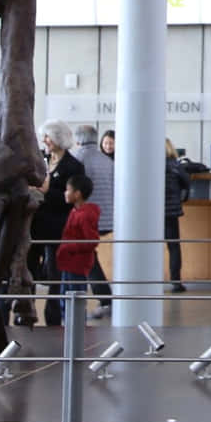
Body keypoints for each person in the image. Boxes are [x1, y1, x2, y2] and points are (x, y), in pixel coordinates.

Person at [31, 121, 81, 327]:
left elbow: (73, 198)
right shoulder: (41, 160)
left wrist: (46, 192)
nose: (44, 141)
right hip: (34, 225)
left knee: (54, 275)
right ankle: (27, 313)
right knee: (29, 271)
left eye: (48, 137)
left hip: (57, 227)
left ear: (59, 138)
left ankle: (53, 318)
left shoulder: (74, 166)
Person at [71, 125, 115, 321]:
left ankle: (103, 298)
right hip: (104, 218)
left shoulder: (76, 159)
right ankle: (104, 298)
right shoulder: (107, 160)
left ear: (78, 139)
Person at [163, 139, 208, 294]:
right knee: (173, 247)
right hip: (171, 212)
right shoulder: (175, 165)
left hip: (151, 213)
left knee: (151, 245)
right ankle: (176, 282)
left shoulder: (148, 165)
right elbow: (186, 182)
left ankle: (150, 281)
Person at [55, 173, 102, 317]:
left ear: (77, 194)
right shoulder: (75, 212)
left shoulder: (85, 215)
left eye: (68, 190)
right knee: (66, 295)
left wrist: (69, 247)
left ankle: (76, 326)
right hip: (68, 262)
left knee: (75, 297)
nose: (65, 193)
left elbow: (91, 240)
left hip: (77, 263)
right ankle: (68, 324)